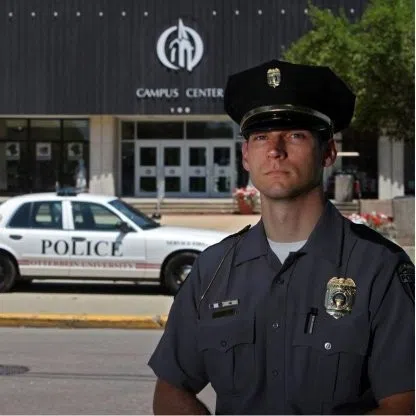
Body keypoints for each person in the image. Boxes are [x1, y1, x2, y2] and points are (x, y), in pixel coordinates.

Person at [148, 59, 415, 414]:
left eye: (294, 135)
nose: (275, 150)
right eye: (260, 137)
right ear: (246, 155)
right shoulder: (213, 270)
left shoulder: (379, 269)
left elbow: (405, 403)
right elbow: (170, 390)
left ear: (328, 152)